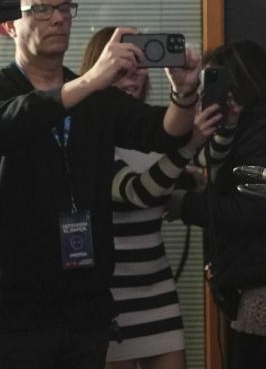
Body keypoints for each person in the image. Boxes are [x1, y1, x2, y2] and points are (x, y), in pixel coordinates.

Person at [0, 0, 200, 369]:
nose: (58, 18)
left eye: (64, 8)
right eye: (40, 10)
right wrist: (91, 81)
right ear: (8, 26)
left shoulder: (95, 96)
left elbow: (164, 133)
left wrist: (185, 90)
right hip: (16, 309)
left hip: (86, 306)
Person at [80, 27, 223, 369]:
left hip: (156, 286)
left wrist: (221, 120)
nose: (133, 79)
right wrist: (189, 148)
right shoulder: (91, 134)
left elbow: (210, 160)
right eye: (123, 71)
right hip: (111, 294)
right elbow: (138, 193)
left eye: (140, 68)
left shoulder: (159, 127)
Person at [172, 39, 266, 369]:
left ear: (235, 83)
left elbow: (256, 208)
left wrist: (186, 204)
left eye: (214, 84)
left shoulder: (265, 126)